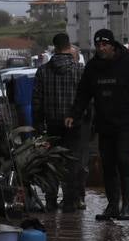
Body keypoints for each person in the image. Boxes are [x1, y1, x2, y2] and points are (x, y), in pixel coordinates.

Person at [66, 29, 129, 221]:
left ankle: (128, 206)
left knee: (123, 161)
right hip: (104, 123)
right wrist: (74, 114)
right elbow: (83, 93)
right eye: (98, 45)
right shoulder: (92, 67)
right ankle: (113, 206)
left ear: (112, 45)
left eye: (105, 45)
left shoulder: (128, 64)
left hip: (126, 122)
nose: (101, 48)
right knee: (108, 165)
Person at [31, 33, 87, 211]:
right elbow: (87, 100)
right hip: (74, 125)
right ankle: (70, 201)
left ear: (54, 48)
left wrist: (39, 124)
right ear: (69, 46)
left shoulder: (43, 71)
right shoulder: (80, 70)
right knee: (72, 163)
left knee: (51, 162)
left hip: (51, 124)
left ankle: (50, 200)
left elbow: (37, 101)